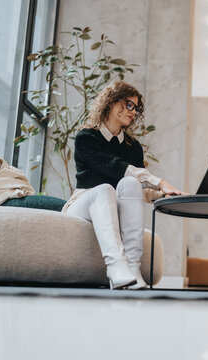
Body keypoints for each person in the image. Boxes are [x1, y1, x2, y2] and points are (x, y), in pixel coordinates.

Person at [62, 81, 187, 290]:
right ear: (111, 102)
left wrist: (161, 195)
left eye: (136, 108)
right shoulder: (86, 137)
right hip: (82, 205)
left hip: (114, 207)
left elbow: (138, 188)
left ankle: (133, 270)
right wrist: (160, 182)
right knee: (105, 189)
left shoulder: (132, 146)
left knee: (130, 183)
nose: (133, 112)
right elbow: (115, 167)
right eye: (129, 105)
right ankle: (115, 266)